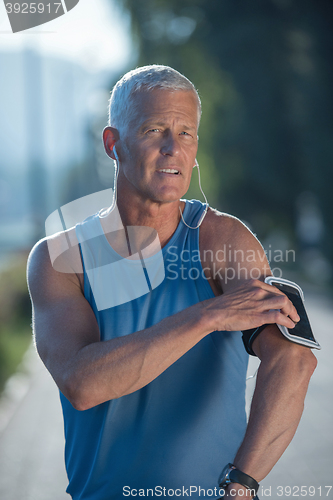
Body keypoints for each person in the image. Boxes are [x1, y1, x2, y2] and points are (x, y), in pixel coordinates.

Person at [27, 65, 317, 500]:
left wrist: (243, 483)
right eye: (155, 129)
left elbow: (294, 360)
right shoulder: (59, 257)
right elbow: (82, 385)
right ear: (113, 144)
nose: (172, 149)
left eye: (186, 133)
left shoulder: (223, 240)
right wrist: (210, 314)